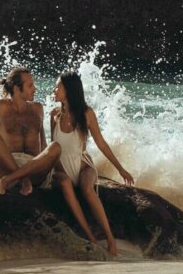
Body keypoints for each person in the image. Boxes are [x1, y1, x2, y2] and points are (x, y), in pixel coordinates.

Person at [50, 70, 134, 256]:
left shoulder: (86, 114)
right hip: (62, 170)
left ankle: (111, 240)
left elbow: (101, 143)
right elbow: (52, 150)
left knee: (87, 188)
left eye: (58, 86)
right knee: (64, 182)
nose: (54, 89)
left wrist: (121, 169)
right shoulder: (53, 115)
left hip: (83, 167)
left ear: (69, 89)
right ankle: (91, 237)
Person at [0, 65, 61, 195]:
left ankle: (21, 178)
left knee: (55, 146)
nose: (35, 89)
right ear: (16, 88)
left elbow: (43, 145)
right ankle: (22, 179)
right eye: (30, 86)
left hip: (34, 170)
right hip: (5, 168)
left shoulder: (37, 109)